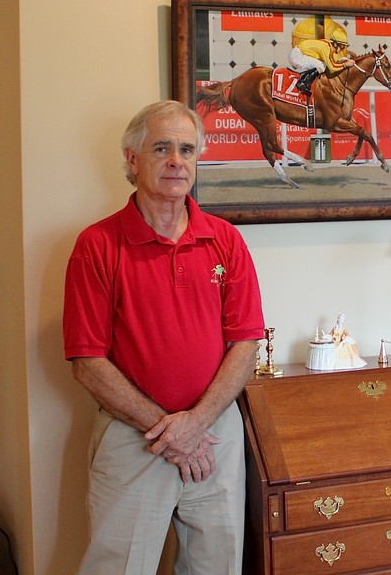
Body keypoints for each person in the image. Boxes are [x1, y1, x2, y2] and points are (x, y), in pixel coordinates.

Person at [63, 100, 265, 575]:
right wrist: (169, 431)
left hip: (216, 435)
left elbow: (246, 343)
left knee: (218, 564)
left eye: (187, 150)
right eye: (162, 148)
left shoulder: (225, 239)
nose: (177, 161)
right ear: (133, 160)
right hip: (133, 436)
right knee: (118, 566)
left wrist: (196, 426)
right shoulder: (97, 245)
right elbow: (86, 361)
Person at [288, 21, 354, 96]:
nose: (342, 49)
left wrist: (342, 60)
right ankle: (303, 82)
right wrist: (345, 65)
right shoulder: (326, 48)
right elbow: (332, 68)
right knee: (322, 66)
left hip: (299, 53)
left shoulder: (329, 46)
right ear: (335, 44)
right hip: (297, 56)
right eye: (342, 46)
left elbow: (332, 61)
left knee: (322, 65)